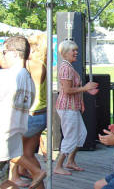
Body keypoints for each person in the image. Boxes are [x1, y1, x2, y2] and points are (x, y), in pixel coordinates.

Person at [0, 36, 46, 189]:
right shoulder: (28, 79)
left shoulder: (6, 76)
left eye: (4, 52)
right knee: (4, 181)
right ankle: (35, 172)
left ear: (14, 53)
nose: (2, 55)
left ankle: (35, 171)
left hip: (3, 131)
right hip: (18, 128)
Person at [54, 39, 99, 175]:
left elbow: (74, 89)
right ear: (65, 53)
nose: (76, 53)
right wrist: (85, 88)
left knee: (81, 134)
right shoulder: (66, 68)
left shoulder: (68, 67)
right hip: (67, 107)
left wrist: (81, 102)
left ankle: (70, 161)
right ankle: (58, 166)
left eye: (76, 50)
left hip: (72, 107)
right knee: (70, 136)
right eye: (73, 50)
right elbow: (67, 90)